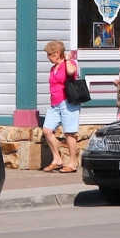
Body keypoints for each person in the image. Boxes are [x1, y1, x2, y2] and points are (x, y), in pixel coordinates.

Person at [42, 40, 81, 172]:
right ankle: (57, 159)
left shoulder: (69, 64)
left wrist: (68, 60)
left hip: (67, 102)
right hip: (55, 104)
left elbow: (71, 72)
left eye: (49, 54)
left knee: (69, 133)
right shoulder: (53, 68)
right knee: (47, 130)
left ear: (57, 53)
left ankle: (72, 163)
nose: (48, 57)